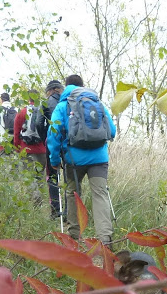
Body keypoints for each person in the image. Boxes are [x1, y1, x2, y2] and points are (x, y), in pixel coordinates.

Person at [47, 75, 117, 245]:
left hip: (73, 159)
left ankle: (73, 237)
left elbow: (54, 134)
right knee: (100, 194)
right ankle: (105, 239)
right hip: (99, 159)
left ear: (66, 86)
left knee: (73, 194)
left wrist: (54, 160)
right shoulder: (97, 103)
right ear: (83, 85)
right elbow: (112, 132)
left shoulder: (63, 105)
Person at [13, 92, 47, 206]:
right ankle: (42, 201)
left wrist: (18, 148)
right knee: (40, 176)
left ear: (28, 99)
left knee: (29, 176)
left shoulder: (22, 112)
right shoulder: (43, 111)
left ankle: (36, 200)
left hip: (26, 149)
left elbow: (16, 132)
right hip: (42, 150)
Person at [42, 80, 64, 219]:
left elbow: (38, 122)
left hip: (51, 143)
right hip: (68, 144)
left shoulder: (45, 103)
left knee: (53, 177)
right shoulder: (67, 102)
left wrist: (46, 137)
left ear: (49, 90)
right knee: (68, 177)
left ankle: (56, 210)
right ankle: (69, 211)